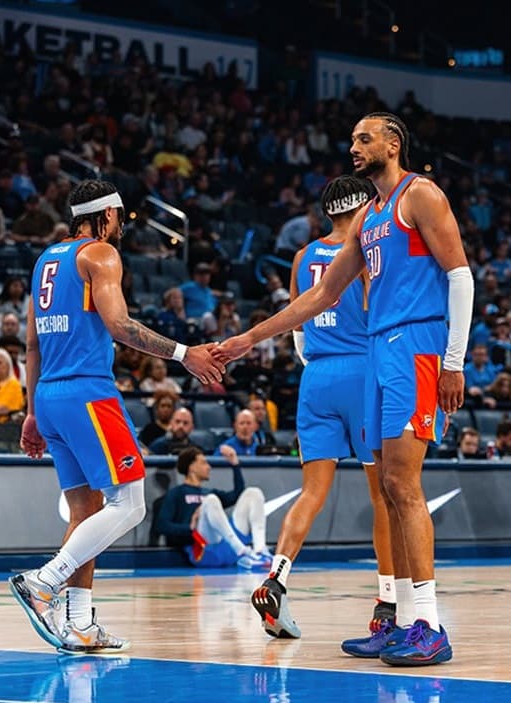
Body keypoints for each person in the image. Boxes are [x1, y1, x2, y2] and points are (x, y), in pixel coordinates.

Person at [216, 113, 472, 666]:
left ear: (392, 143)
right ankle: (400, 619)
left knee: (401, 485)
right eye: (352, 140)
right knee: (388, 488)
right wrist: (248, 339)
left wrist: (454, 361)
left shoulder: (419, 194)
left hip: (416, 345)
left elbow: (461, 275)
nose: (353, 147)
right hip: (377, 349)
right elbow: (320, 297)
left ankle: (429, 623)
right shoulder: (369, 219)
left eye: (364, 138)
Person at [10, 179, 222, 655]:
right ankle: (44, 583)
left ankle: (81, 624)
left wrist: (30, 413)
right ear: (104, 215)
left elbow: (31, 343)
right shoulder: (100, 254)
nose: (122, 227)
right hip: (88, 392)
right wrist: (185, 352)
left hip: (48, 396)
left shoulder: (45, 261)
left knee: (86, 512)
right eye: (121, 218)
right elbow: (120, 326)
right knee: (130, 502)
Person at [249, 175, 397, 644]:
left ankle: (276, 578)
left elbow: (297, 332)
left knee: (311, 492)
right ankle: (388, 601)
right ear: (363, 208)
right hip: (361, 371)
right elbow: (379, 315)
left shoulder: (302, 256)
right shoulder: (367, 254)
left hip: (315, 377)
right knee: (383, 495)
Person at [155, 447, 270, 569]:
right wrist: (189, 528)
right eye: (204, 463)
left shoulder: (209, 491)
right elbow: (162, 525)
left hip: (225, 545)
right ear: (192, 467)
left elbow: (237, 494)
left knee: (253, 493)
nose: (209, 467)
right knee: (211, 500)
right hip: (202, 547)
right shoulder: (177, 493)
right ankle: (241, 550)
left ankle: (260, 551)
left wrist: (235, 464)